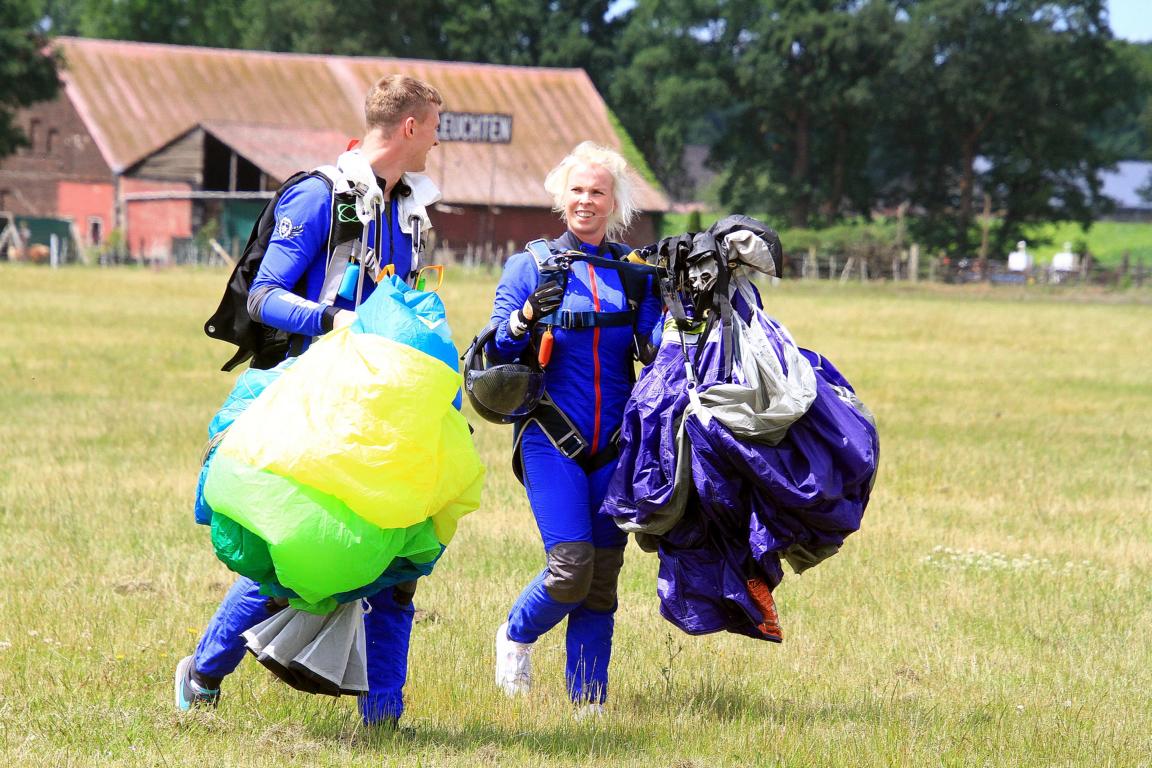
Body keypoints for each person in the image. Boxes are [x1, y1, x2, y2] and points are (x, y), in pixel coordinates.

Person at [175, 74, 443, 727]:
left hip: (381, 401)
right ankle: (203, 671)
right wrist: (332, 321)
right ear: (410, 127)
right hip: (311, 397)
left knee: (397, 559)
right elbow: (264, 295)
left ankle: (384, 720)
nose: (437, 142)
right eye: (435, 128)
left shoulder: (409, 209)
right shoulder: (321, 195)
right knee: (296, 558)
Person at [485, 141, 662, 715]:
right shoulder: (530, 266)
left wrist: (685, 310)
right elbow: (493, 352)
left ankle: (589, 704)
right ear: (562, 198)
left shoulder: (633, 274)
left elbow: (657, 347)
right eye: (578, 191)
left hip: (615, 447)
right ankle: (515, 634)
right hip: (550, 437)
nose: (586, 200)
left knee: (601, 580)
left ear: (615, 204)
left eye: (598, 192)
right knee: (570, 570)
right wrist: (526, 316)